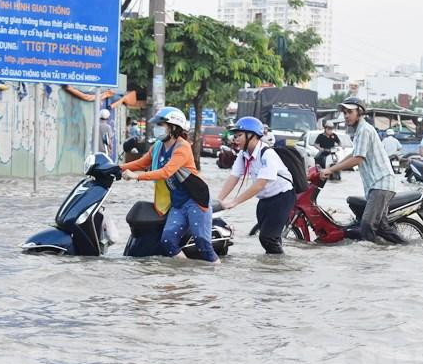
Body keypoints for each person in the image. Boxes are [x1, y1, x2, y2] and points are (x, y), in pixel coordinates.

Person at [119, 106, 219, 264]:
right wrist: (117, 168)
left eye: (160, 125)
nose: (156, 128)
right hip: (177, 204)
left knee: (203, 244)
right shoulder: (158, 147)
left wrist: (136, 177)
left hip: (195, 201)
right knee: (167, 241)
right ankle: (185, 269)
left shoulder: (182, 147)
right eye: (156, 125)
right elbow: (141, 163)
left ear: (173, 127)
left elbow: (166, 172)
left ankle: (215, 271)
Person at [319, 97, 404, 244]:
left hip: (381, 183)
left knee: (367, 225)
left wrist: (331, 169)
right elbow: (354, 154)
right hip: (377, 184)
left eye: (350, 112)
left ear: (359, 112)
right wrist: (332, 167)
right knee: (382, 227)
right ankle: (406, 248)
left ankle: (369, 256)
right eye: (344, 112)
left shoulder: (364, 130)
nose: (346, 116)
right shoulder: (360, 131)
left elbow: (358, 159)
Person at [217, 116, 295, 254]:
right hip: (264, 199)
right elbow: (234, 177)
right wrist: (218, 200)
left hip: (282, 197)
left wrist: (234, 202)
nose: (235, 139)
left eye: (239, 135)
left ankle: (280, 265)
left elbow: (260, 184)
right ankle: (275, 263)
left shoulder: (267, 154)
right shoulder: (243, 154)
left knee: (268, 238)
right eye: (235, 136)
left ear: (252, 136)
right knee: (270, 238)